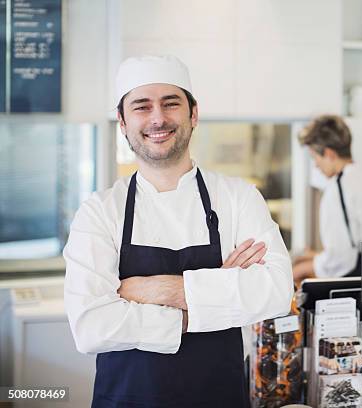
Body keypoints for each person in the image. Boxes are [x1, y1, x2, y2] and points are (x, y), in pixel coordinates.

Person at [63, 55, 293, 407]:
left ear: (193, 114)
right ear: (123, 122)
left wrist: (148, 289)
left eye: (171, 103)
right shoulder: (99, 211)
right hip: (126, 399)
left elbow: (276, 292)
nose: (158, 118)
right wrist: (217, 294)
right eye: (142, 106)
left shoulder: (238, 197)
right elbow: (91, 327)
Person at [292, 115, 362, 283]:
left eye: (314, 157)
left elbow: (341, 260)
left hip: (357, 290)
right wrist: (317, 257)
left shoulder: (337, 189)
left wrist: (301, 269)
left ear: (329, 154)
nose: (315, 165)